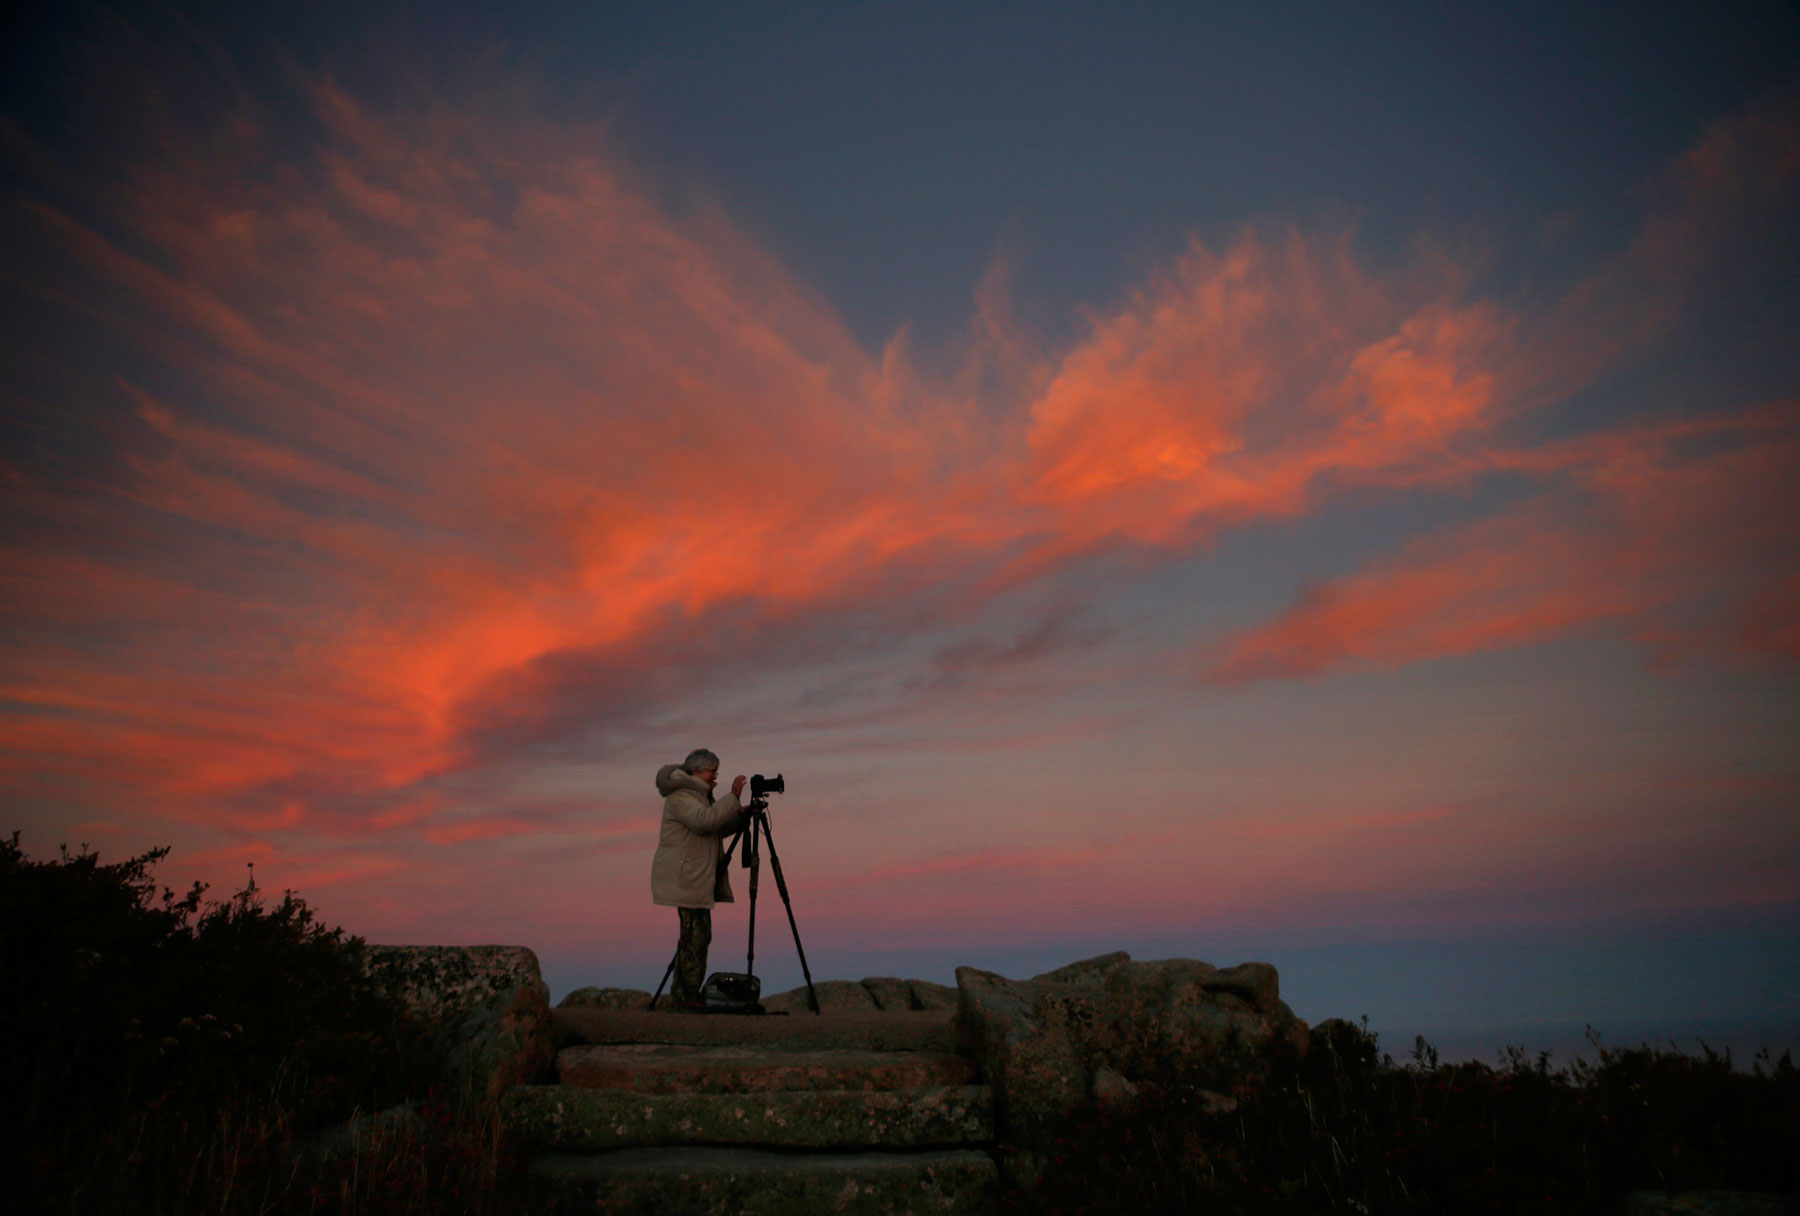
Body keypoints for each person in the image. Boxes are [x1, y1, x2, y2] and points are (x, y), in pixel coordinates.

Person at [650, 748, 746, 1009]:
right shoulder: (680, 796)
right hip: (687, 877)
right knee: (694, 936)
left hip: (696, 877)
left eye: (716, 771)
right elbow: (704, 822)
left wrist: (739, 816)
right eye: (711, 771)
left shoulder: (700, 796)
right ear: (695, 771)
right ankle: (687, 995)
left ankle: (685, 994)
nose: (715, 776)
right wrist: (733, 797)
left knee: (699, 935)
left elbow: (713, 828)